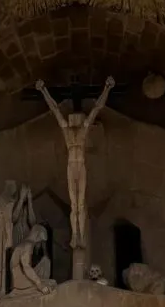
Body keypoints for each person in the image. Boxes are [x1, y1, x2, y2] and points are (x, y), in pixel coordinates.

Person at [35, 77, 115, 249]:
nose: (73, 120)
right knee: (74, 205)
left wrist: (107, 88)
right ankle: (75, 235)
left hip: (79, 167)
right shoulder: (66, 131)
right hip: (71, 167)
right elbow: (55, 109)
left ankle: (81, 236)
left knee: (80, 204)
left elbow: (96, 109)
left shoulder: (83, 130)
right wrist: (43, 90)